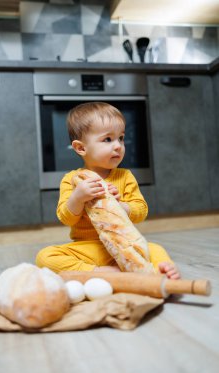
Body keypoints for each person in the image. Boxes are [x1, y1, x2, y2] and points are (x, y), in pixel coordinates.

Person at [36, 102, 180, 279]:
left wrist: (120, 206)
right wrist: (78, 197)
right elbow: (66, 218)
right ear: (81, 148)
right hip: (88, 248)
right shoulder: (72, 180)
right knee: (45, 256)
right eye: (107, 139)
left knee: (155, 249)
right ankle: (99, 273)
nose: (118, 145)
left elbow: (141, 210)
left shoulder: (124, 176)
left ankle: (164, 271)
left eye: (121, 138)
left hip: (124, 245)